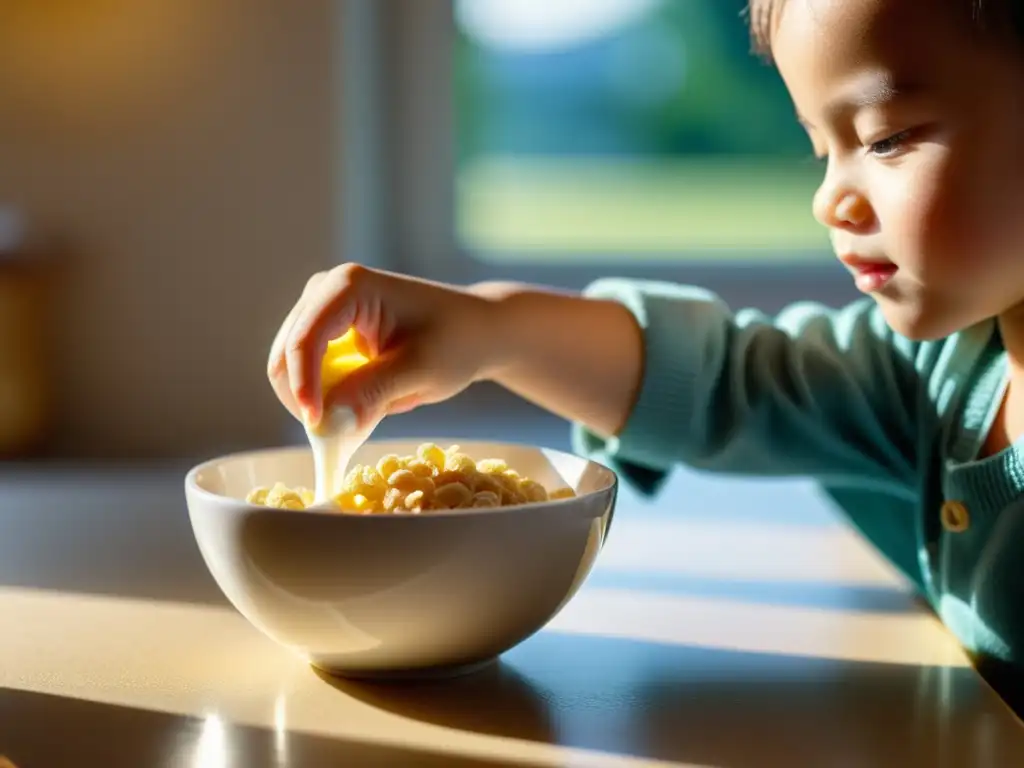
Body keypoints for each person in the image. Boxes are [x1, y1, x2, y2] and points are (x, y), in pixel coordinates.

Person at [267, 0, 1024, 696]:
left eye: (884, 138)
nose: (830, 198)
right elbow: (724, 380)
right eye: (819, 148)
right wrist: (486, 330)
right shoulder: (936, 376)